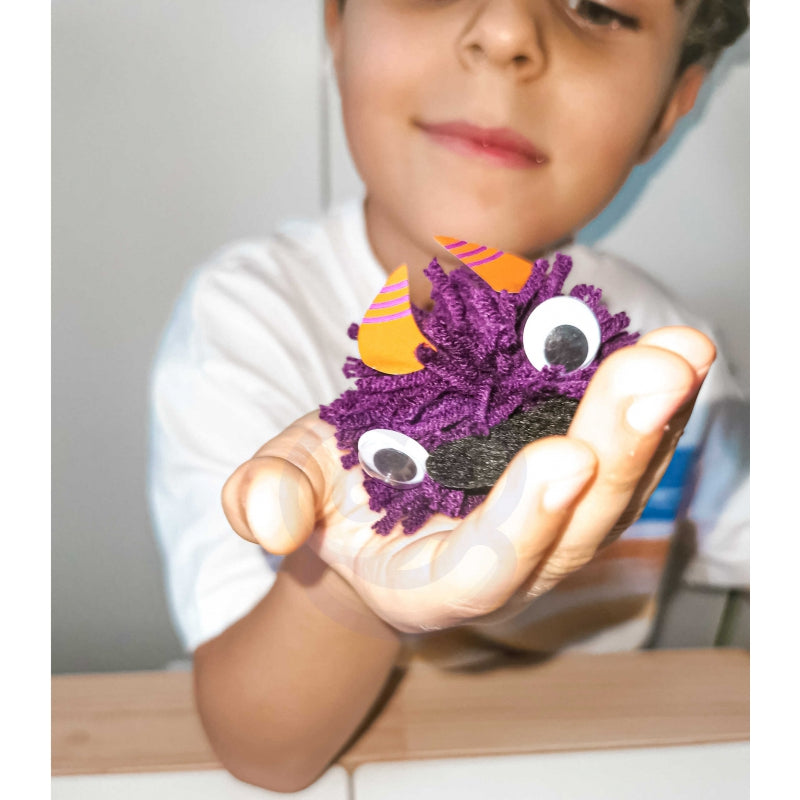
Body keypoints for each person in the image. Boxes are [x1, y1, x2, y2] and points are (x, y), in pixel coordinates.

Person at [148, 0, 749, 792]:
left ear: (671, 105)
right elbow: (264, 749)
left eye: (595, 6)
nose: (505, 33)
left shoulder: (666, 357)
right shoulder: (250, 318)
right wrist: (350, 587)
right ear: (337, 22)